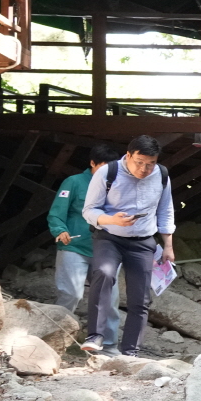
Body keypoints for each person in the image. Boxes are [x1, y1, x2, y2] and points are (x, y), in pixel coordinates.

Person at [81, 135, 175, 356]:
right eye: (139, 162)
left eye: (150, 163)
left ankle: (131, 351)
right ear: (129, 154)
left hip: (143, 241)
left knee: (140, 298)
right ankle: (95, 336)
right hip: (110, 237)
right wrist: (113, 219)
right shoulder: (107, 172)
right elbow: (89, 211)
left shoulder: (161, 175)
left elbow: (165, 210)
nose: (144, 168)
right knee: (103, 274)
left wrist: (168, 245)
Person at [49, 143, 121, 346]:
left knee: (110, 299)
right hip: (74, 246)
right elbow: (56, 212)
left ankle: (108, 345)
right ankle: (56, 339)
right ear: (92, 163)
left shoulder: (118, 186)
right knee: (70, 294)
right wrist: (60, 230)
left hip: (107, 249)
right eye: (103, 167)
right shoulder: (73, 182)